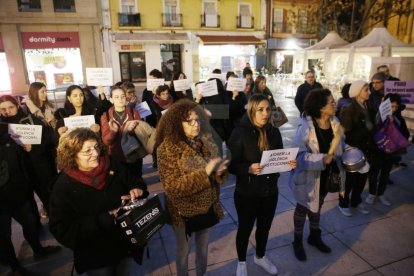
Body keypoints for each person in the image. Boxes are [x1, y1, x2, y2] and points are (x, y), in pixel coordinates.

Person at [49, 128, 147, 275]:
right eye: (87, 151)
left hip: (124, 244)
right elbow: (61, 229)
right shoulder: (63, 186)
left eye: (96, 147)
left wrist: (137, 189)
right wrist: (101, 220)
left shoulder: (112, 164)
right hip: (95, 255)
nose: (95, 153)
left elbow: (135, 181)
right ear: (72, 155)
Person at [156, 99, 228, 276]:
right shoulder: (166, 149)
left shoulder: (205, 141)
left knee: (203, 249)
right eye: (190, 121)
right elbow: (173, 186)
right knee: (183, 251)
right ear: (177, 123)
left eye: (197, 120)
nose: (196, 125)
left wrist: (219, 173)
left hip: (207, 207)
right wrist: (205, 172)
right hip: (183, 213)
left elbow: (215, 173)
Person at [228, 94, 296, 276]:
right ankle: (241, 261)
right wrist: (248, 168)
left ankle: (260, 256)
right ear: (252, 110)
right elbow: (231, 164)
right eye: (260, 110)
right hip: (247, 193)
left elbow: (280, 153)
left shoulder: (273, 130)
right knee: (245, 229)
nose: (265, 113)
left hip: (270, 191)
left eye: (268, 109)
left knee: (264, 228)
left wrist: (288, 162)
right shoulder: (239, 132)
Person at [0, 116, 61, 275]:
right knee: (4, 235)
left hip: (18, 193)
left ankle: (38, 249)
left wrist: (25, 148)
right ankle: (14, 266)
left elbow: (21, 160)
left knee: (31, 224)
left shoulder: (8, 133)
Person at [290, 89, 345, 261]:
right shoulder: (305, 128)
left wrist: (346, 151)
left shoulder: (335, 123)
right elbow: (297, 156)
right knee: (302, 209)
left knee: (318, 205)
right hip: (307, 177)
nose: (335, 104)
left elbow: (341, 147)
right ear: (321, 107)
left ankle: (314, 236)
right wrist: (321, 159)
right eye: (331, 102)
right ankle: (297, 241)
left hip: (326, 177)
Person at [0, 95, 57, 216]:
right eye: (3, 109)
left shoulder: (30, 119)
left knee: (48, 197)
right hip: (16, 174)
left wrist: (34, 147)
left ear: (17, 106)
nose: (7, 112)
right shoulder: (1, 126)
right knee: (27, 206)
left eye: (11, 107)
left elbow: (48, 140)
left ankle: (55, 220)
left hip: (38, 167)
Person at [100, 86, 144, 179]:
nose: (120, 99)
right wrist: (113, 131)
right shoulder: (106, 116)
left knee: (136, 182)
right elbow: (106, 141)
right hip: (116, 157)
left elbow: (141, 135)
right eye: (116, 97)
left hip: (133, 155)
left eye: (122, 96)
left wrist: (132, 130)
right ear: (111, 100)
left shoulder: (134, 112)